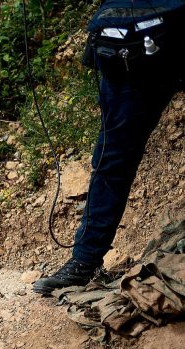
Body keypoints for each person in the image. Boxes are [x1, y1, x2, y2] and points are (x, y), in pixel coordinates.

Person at [34, 0, 185, 295]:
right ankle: (84, 261)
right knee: (113, 157)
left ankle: (84, 261)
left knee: (113, 157)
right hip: (130, 46)